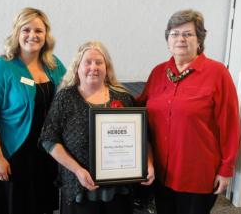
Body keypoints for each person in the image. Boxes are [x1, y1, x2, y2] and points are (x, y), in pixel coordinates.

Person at [137, 9, 241, 214]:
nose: (180, 39)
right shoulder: (159, 72)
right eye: (174, 34)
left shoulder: (217, 73)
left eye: (188, 34)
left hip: (197, 176)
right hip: (160, 173)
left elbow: (230, 126)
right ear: (168, 39)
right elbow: (140, 106)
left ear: (199, 39)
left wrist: (226, 170)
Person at [39, 41, 155, 214]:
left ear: (106, 68)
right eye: (88, 62)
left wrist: (148, 164)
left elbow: (142, 137)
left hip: (119, 189)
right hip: (80, 187)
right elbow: (48, 138)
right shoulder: (65, 98)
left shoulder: (123, 98)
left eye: (99, 62)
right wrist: (77, 170)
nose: (93, 67)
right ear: (77, 67)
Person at [0, 7, 66, 214]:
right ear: (17, 32)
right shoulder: (1, 67)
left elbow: (70, 94)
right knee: (14, 206)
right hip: (12, 152)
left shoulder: (54, 65)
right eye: (26, 30)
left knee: (41, 205)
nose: (32, 36)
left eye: (38, 31)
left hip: (44, 151)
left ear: (46, 35)